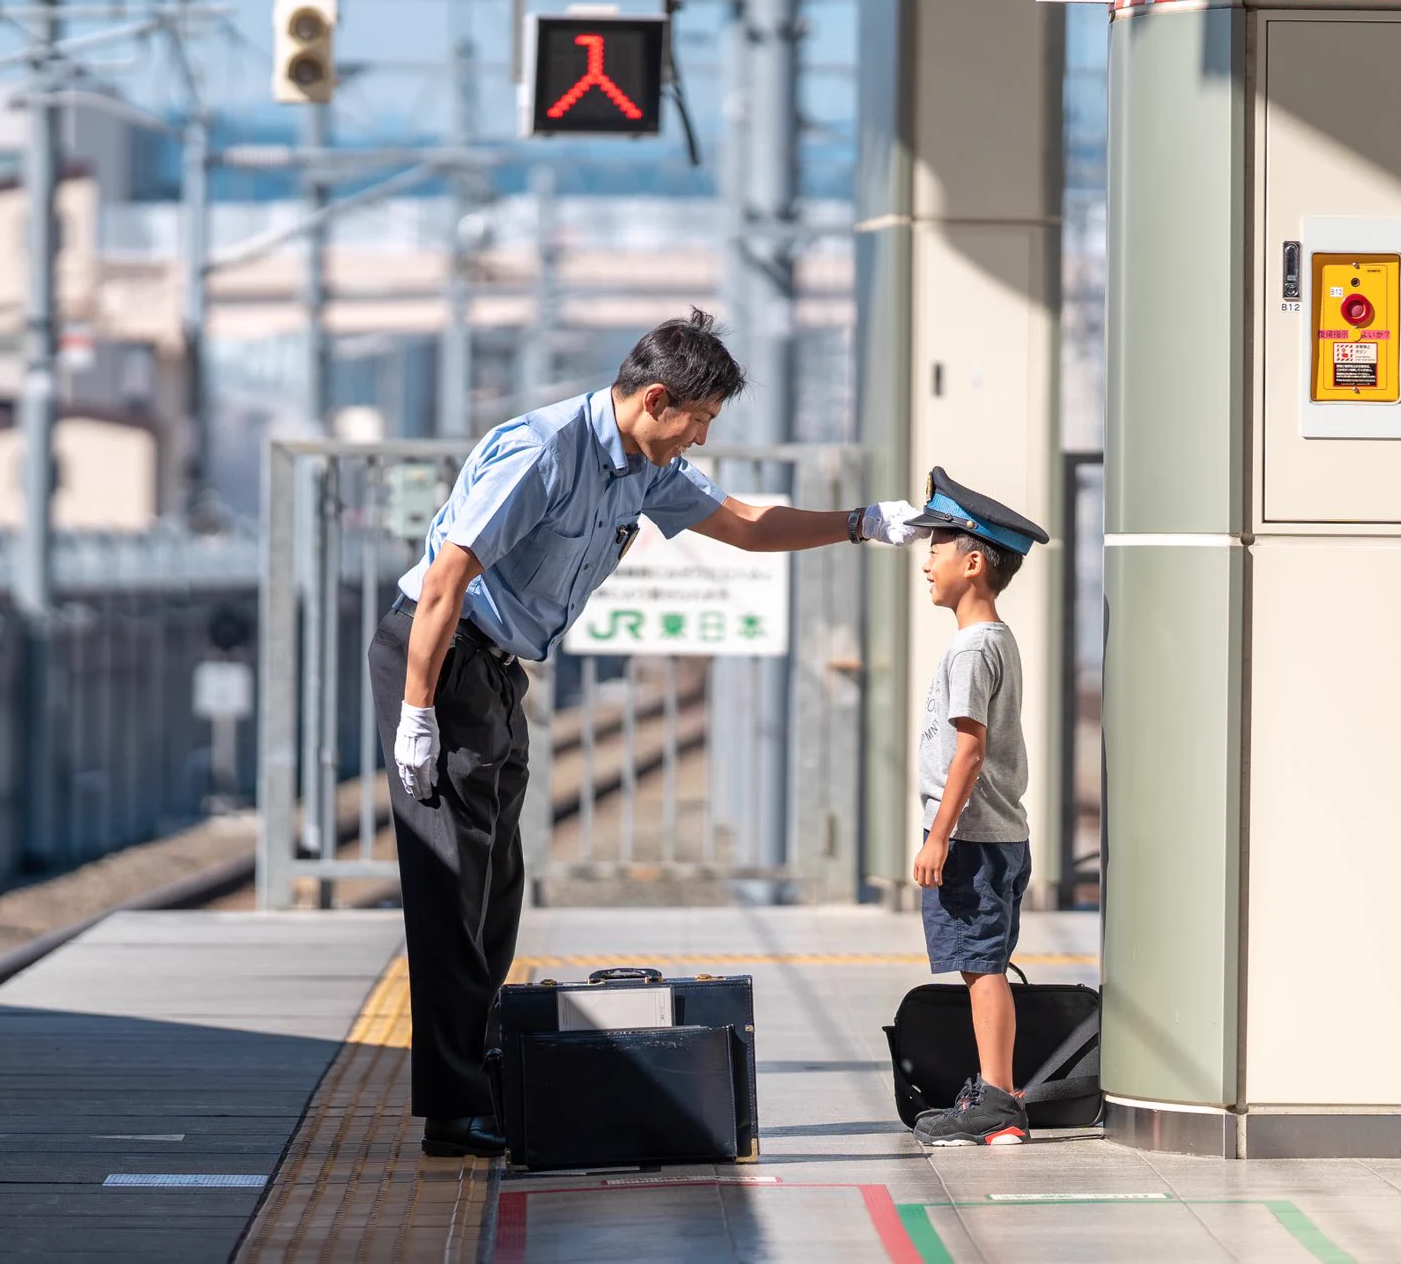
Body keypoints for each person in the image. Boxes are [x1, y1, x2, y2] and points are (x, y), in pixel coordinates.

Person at [367, 308, 926, 1158]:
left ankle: (481, 1078)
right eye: (697, 420)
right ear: (656, 398)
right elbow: (447, 578)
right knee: (450, 888)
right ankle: (453, 1109)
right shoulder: (544, 450)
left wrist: (865, 522)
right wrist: (416, 713)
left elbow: (743, 524)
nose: (698, 439)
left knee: (495, 887)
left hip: (494, 671)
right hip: (437, 654)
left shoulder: (643, 465)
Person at [905, 467, 1049, 1148]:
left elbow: (968, 752)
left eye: (936, 548)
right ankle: (998, 1098)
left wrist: (938, 838)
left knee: (983, 971)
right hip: (995, 836)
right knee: (982, 965)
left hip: (973, 838)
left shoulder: (972, 648)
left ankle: (997, 1099)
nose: (926, 561)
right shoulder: (995, 641)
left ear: (972, 562)